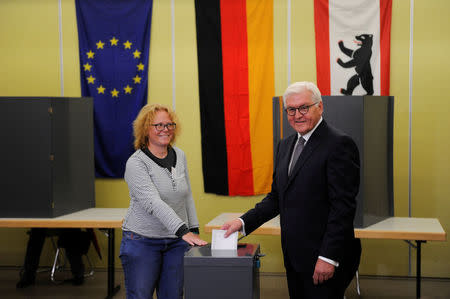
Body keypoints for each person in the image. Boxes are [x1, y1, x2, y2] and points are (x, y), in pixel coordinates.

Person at [222, 82, 361, 299]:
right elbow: (277, 198)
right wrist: (242, 222)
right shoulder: (285, 145)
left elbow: (342, 208)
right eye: (291, 109)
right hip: (295, 256)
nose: (298, 115)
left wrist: (328, 257)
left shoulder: (339, 144)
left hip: (323, 259)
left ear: (320, 107)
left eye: (304, 107)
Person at [120, 103, 207, 299]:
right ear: (145, 129)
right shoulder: (136, 163)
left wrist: (193, 229)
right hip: (143, 241)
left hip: (176, 243)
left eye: (169, 125)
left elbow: (187, 195)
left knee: (173, 295)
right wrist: (184, 231)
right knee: (140, 295)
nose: (165, 130)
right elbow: (153, 202)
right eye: (158, 125)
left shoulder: (180, 155)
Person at [16, 228, 90, 288]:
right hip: (45, 224)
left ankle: (78, 274)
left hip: (66, 223)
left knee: (72, 231)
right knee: (36, 232)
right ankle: (28, 276)